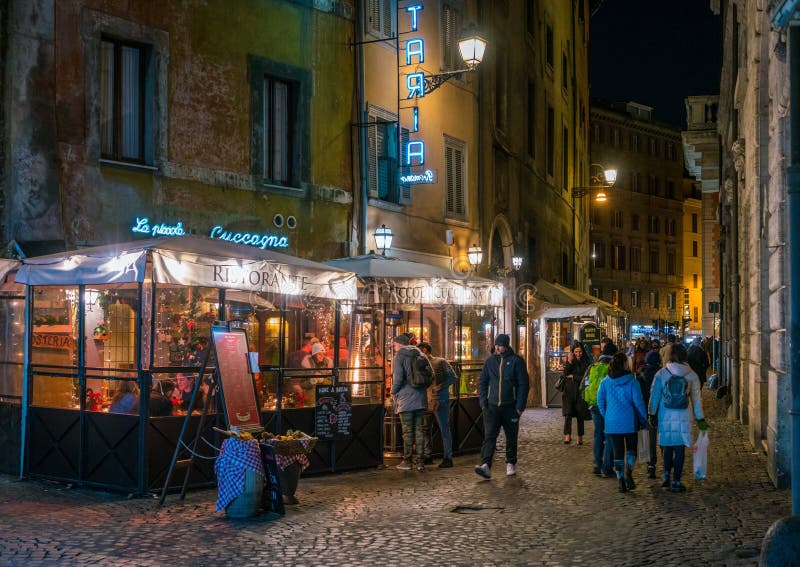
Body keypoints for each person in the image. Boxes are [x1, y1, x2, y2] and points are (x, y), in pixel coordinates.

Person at [649, 343, 708, 493]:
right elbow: (696, 399)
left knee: (667, 446)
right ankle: (676, 480)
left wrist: (652, 413)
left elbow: (654, 396)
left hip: (665, 414)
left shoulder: (661, 373)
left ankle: (665, 475)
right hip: (684, 415)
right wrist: (700, 419)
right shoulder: (691, 375)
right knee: (680, 448)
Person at [475, 334, 530, 479]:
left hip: (510, 407)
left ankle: (510, 463)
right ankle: (486, 465)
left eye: (500, 345)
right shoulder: (490, 361)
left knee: (511, 436)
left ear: (506, 345)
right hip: (492, 407)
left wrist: (519, 407)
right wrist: (483, 402)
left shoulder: (516, 361)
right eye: (496, 345)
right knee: (489, 436)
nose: (497, 347)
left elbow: (523, 385)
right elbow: (483, 382)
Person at [597, 352, 649, 493]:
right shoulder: (632, 381)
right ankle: (628, 473)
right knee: (631, 450)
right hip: (630, 422)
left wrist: (606, 415)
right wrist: (644, 420)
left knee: (618, 453)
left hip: (612, 423)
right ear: (625, 364)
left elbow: (600, 402)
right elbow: (639, 403)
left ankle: (620, 480)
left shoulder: (605, 382)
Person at [391, 333, 431, 471]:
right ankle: (420, 462)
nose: (394, 347)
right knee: (419, 430)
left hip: (405, 399)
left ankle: (407, 461)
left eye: (395, 344)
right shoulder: (421, 354)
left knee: (407, 431)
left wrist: (392, 392)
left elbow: (398, 379)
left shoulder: (399, 357)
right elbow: (430, 374)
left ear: (401, 344)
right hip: (420, 398)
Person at [418, 342, 457, 468]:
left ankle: (448, 457)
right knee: (425, 429)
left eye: (419, 351)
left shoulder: (440, 362)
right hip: (426, 400)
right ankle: (427, 455)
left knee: (444, 429)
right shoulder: (421, 365)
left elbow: (453, 377)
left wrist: (440, 387)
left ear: (425, 350)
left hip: (440, 399)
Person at [582, 341, 617, 477]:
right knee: (609, 435)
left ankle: (597, 464)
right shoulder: (613, 368)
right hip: (609, 407)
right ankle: (607, 466)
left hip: (594, 405)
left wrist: (589, 399)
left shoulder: (593, 367)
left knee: (598, 434)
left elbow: (584, 385)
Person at [636, 351, 662, 478]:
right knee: (662, 436)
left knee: (645, 436)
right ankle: (666, 462)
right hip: (659, 409)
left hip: (643, 409)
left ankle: (649, 465)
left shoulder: (640, 374)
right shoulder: (662, 373)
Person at [561, 342, 591, 445]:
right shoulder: (570, 360)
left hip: (580, 391)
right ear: (573, 352)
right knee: (568, 413)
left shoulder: (586, 361)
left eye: (580, 351)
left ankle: (580, 436)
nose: (578, 354)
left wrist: (574, 377)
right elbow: (565, 375)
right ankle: (567, 435)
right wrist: (569, 362)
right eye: (576, 352)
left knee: (580, 414)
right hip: (569, 391)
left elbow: (585, 377)